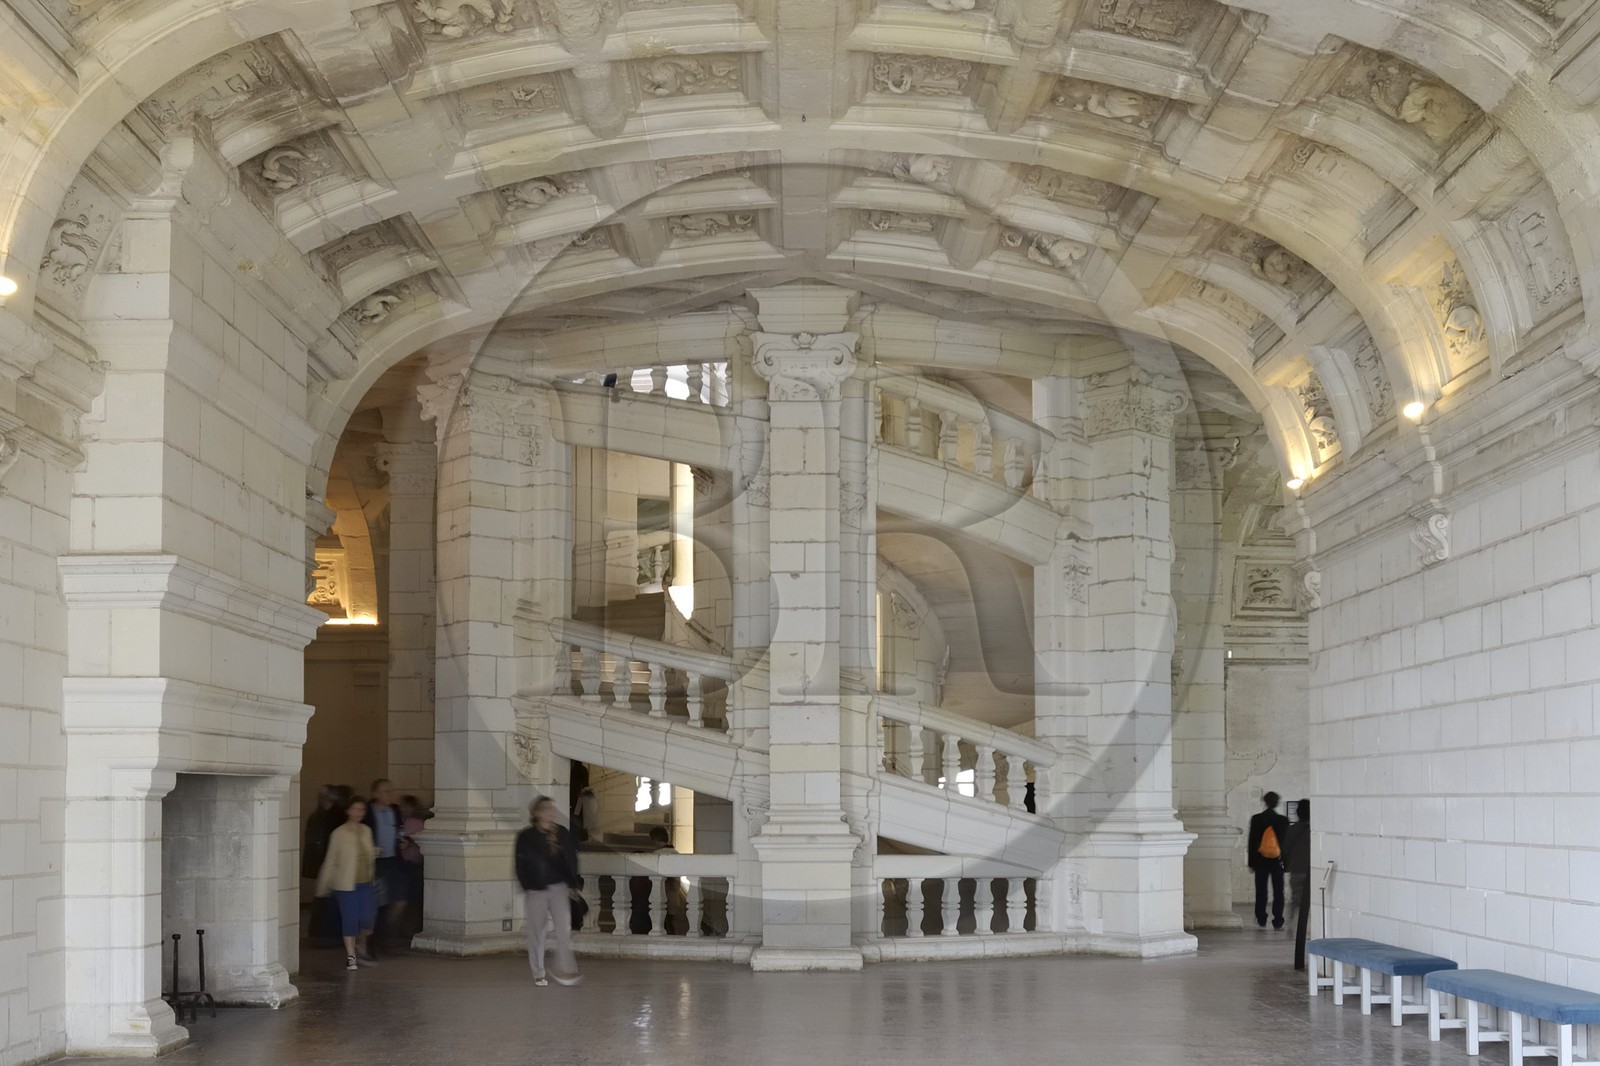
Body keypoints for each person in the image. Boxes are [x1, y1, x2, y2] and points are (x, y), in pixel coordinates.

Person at [514, 796, 583, 987]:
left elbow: (571, 859)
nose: (551, 812)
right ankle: (538, 971)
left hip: (559, 888)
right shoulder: (526, 836)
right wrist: (527, 885)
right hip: (536, 890)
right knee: (537, 932)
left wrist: (574, 884)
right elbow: (520, 863)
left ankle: (565, 969)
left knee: (564, 930)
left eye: (552, 809)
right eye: (546, 809)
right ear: (536, 812)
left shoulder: (562, 833)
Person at [315, 797, 379, 971]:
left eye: (362, 810)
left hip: (366, 881)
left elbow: (368, 853)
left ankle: (361, 945)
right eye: (355, 809)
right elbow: (330, 860)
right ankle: (351, 956)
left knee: (367, 918)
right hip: (345, 884)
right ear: (348, 811)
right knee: (350, 919)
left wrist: (373, 853)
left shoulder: (366, 830)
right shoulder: (339, 833)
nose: (358, 813)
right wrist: (324, 885)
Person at [363, 779, 406, 952]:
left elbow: (399, 831)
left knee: (399, 899)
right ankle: (374, 940)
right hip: (376, 862)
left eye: (391, 790)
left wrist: (404, 842)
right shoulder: (367, 812)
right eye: (385, 791)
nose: (390, 794)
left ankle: (387, 936)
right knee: (378, 902)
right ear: (375, 794)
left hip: (394, 860)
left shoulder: (395, 810)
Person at [1247, 790, 1291, 930]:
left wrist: (1251, 862)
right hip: (1277, 860)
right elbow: (1285, 844)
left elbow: (1252, 842)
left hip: (1260, 859)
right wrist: (1287, 863)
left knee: (1261, 890)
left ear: (1264, 802)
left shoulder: (1257, 819)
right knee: (1279, 891)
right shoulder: (1283, 821)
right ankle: (1278, 920)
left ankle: (1261, 918)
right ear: (1277, 803)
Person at [1282, 798, 1313, 968]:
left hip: (1296, 869)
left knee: (1295, 900)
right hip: (1311, 871)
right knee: (1311, 902)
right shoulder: (1314, 830)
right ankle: (1307, 929)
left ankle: (1292, 925)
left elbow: (1285, 848)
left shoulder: (1292, 829)